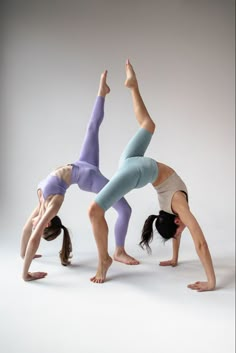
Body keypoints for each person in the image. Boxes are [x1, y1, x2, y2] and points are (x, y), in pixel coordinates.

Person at [88, 60, 216, 292]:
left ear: (176, 220)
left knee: (94, 211)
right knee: (147, 124)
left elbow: (185, 232)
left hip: (135, 168)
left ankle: (106, 259)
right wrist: (211, 281)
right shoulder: (177, 208)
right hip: (134, 167)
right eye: (180, 229)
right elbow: (201, 242)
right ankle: (132, 85)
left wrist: (176, 259)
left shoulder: (177, 208)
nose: (182, 230)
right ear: (177, 220)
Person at [20, 71, 139, 282]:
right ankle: (118, 251)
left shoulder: (40, 205)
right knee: (125, 209)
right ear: (47, 224)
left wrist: (23, 257)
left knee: (92, 127)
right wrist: (26, 274)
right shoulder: (53, 205)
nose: (35, 223)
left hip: (83, 163)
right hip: (89, 178)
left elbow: (27, 229)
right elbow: (34, 236)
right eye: (41, 224)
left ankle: (101, 92)